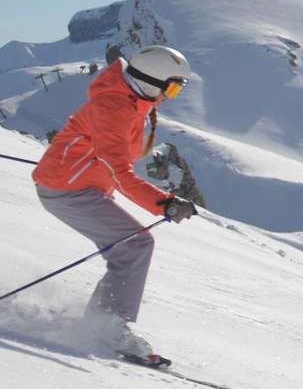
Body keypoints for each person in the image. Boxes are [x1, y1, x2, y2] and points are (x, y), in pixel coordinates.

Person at [31, 46, 199, 361]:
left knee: (132, 246)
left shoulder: (134, 101)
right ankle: (107, 329)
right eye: (173, 87)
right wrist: (165, 204)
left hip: (79, 185)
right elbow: (121, 173)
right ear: (151, 80)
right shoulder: (114, 108)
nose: (172, 95)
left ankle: (103, 323)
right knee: (135, 245)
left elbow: (109, 158)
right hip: (67, 191)